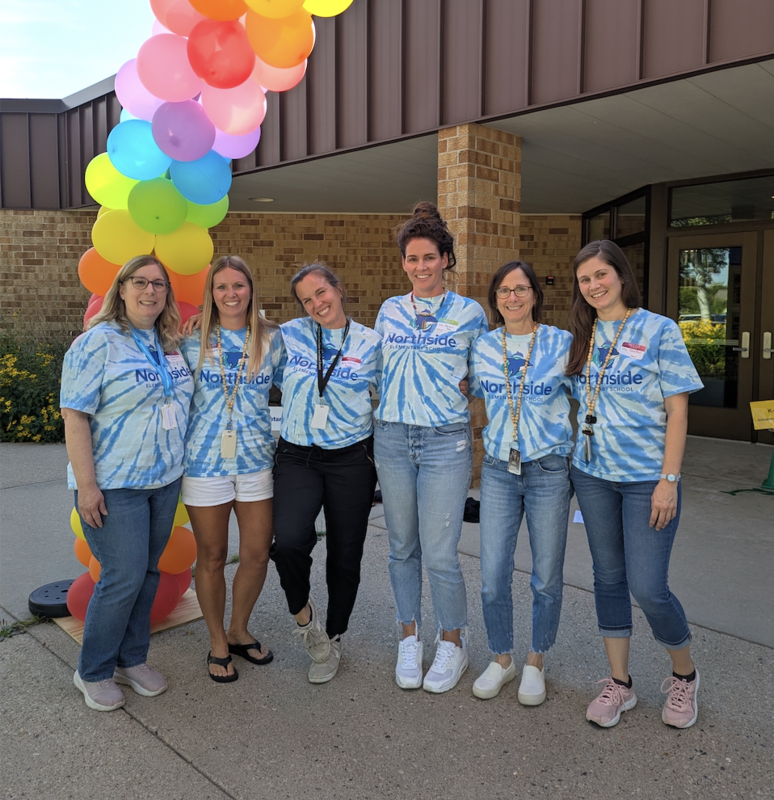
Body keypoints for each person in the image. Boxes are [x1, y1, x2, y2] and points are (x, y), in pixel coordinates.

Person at [567, 240, 703, 729]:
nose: (595, 285)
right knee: (608, 578)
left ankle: (684, 675)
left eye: (602, 274)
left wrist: (669, 479)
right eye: (585, 279)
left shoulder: (658, 329)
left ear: (621, 276)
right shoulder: (579, 335)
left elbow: (678, 410)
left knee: (649, 587)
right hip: (593, 475)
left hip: (647, 478)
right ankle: (620, 684)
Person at [61, 255, 194, 712]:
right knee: (121, 576)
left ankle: (130, 659)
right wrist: (87, 486)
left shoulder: (169, 342)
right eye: (141, 282)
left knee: (149, 572)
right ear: (121, 288)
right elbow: (74, 415)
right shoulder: (97, 343)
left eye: (160, 284)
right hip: (114, 482)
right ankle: (93, 669)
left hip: (164, 479)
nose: (150, 291)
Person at [373, 202, 489, 694]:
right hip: (393, 437)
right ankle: (408, 636)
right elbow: (373, 368)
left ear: (446, 259)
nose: (420, 267)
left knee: (440, 553)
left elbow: (483, 378)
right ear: (404, 263)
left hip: (445, 442)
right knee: (401, 549)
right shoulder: (389, 310)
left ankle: (452, 643)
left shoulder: (470, 313)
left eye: (429, 258)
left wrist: (470, 388)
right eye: (412, 259)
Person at [467, 261, 573, 704]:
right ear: (495, 298)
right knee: (493, 574)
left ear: (535, 294)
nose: (513, 297)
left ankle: (536, 659)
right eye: (504, 290)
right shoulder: (484, 347)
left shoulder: (562, 343)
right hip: (497, 470)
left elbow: (590, 399)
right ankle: (502, 658)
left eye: (521, 289)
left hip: (549, 469)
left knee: (546, 576)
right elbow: (467, 390)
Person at [270, 263, 380, 684]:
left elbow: (390, 392)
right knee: (290, 541)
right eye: (307, 299)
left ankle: (333, 636)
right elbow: (252, 347)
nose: (317, 303)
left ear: (339, 287)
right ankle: (306, 619)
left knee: (345, 554)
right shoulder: (291, 334)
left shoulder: (371, 342)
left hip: (352, 459)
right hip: (299, 455)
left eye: (321, 292)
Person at [180, 256, 282, 683]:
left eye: (238, 285)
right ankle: (217, 639)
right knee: (213, 556)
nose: (231, 294)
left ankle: (240, 629)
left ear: (251, 289)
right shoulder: (190, 340)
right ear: (210, 294)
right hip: (204, 464)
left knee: (257, 554)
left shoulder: (274, 340)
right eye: (221, 287)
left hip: (256, 460)